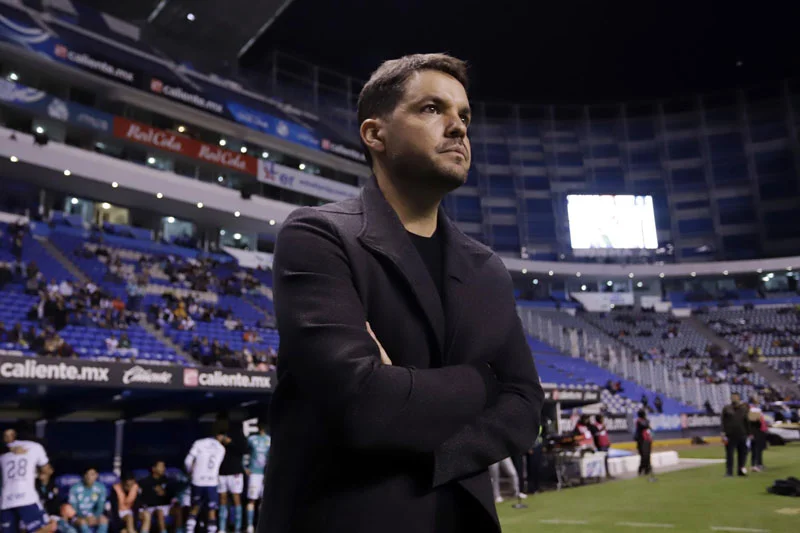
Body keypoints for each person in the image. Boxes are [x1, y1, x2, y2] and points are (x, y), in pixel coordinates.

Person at [260, 53, 543, 533]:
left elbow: (525, 406)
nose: (458, 127)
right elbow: (362, 405)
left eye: (464, 115)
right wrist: (482, 383)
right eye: (432, 109)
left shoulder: (486, 267)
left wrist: (441, 451)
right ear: (376, 134)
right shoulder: (318, 236)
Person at [0, 429, 53, 533]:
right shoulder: (36, 447)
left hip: (5, 500)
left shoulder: (5, 450)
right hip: (26, 497)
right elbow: (46, 470)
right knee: (46, 528)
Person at [184, 426, 226, 533]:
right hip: (211, 482)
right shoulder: (221, 448)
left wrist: (190, 472)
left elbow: (188, 461)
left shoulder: (199, 443)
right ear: (219, 435)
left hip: (197, 480)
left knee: (195, 507)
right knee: (211, 510)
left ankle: (189, 530)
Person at [218, 424, 247, 533]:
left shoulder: (238, 434)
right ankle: (221, 528)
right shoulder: (218, 435)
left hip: (235, 472)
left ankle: (237, 528)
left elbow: (243, 450)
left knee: (236, 498)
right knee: (222, 499)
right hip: (221, 472)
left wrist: (230, 443)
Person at [244, 424, 271, 533]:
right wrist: (245, 467)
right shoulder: (252, 439)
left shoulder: (270, 440)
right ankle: (250, 526)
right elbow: (244, 453)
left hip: (266, 474)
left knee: (263, 501)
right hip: (254, 473)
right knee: (252, 499)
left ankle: (261, 525)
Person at [138, 460, 177, 533]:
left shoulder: (168, 481)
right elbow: (143, 499)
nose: (163, 468)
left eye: (164, 466)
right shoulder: (145, 482)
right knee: (160, 512)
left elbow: (171, 497)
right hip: (151, 508)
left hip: (166, 507)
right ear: (154, 469)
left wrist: (165, 493)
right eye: (161, 466)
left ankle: (180, 531)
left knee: (178, 510)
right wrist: (154, 493)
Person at [68, 467, 108, 533]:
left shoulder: (101, 488)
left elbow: (101, 506)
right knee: (82, 522)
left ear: (96, 475)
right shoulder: (74, 488)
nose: (89, 477)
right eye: (87, 474)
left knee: (104, 520)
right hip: (78, 517)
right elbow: (74, 508)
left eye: (92, 474)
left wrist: (94, 516)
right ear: (84, 476)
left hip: (94, 516)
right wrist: (84, 517)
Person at [721, 392, 749, 477]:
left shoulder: (744, 408)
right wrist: (723, 432)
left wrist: (749, 433)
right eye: (732, 397)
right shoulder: (726, 408)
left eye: (735, 397)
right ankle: (729, 472)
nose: (734, 398)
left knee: (742, 454)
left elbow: (747, 421)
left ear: (739, 398)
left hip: (742, 433)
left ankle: (741, 471)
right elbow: (723, 421)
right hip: (730, 434)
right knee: (729, 454)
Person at [747, 396, 767, 473]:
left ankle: (758, 464)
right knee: (757, 449)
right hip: (757, 431)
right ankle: (757, 464)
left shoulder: (755, 409)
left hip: (759, 431)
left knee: (758, 449)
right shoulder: (753, 409)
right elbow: (754, 423)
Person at [634, 410, 656, 481]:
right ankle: (641, 469)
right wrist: (647, 423)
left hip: (647, 440)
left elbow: (648, 427)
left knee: (647, 455)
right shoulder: (639, 421)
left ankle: (647, 468)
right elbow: (645, 425)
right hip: (641, 440)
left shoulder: (644, 421)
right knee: (644, 455)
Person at [591, 415, 613, 479]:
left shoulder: (602, 425)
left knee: (606, 459)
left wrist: (608, 442)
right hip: (600, 445)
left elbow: (605, 434)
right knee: (601, 459)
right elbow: (596, 434)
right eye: (602, 418)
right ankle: (600, 474)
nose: (603, 419)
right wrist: (601, 429)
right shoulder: (595, 425)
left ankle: (607, 473)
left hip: (605, 444)